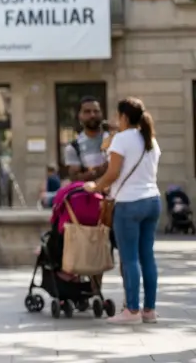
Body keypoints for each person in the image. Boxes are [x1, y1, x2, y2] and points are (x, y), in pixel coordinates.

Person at [83, 97, 161, 324]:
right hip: (152, 200)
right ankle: (149, 310)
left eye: (118, 116)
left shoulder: (122, 139)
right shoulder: (150, 139)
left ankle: (132, 311)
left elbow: (113, 173)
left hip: (129, 203)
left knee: (129, 258)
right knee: (147, 257)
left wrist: (95, 187)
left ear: (124, 116)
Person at [65, 96, 110, 181]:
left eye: (96, 111)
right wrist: (105, 167)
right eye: (87, 112)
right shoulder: (74, 147)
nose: (92, 115)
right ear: (79, 115)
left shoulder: (115, 138)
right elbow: (75, 179)